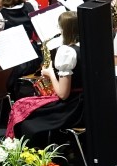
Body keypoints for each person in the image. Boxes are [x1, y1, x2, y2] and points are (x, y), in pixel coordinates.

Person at [6, 10, 83, 140]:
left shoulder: (66, 52)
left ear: (66, 29)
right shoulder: (87, 47)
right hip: (86, 104)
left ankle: (28, 154)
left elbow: (63, 94)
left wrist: (50, 73)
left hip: (71, 108)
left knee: (22, 109)